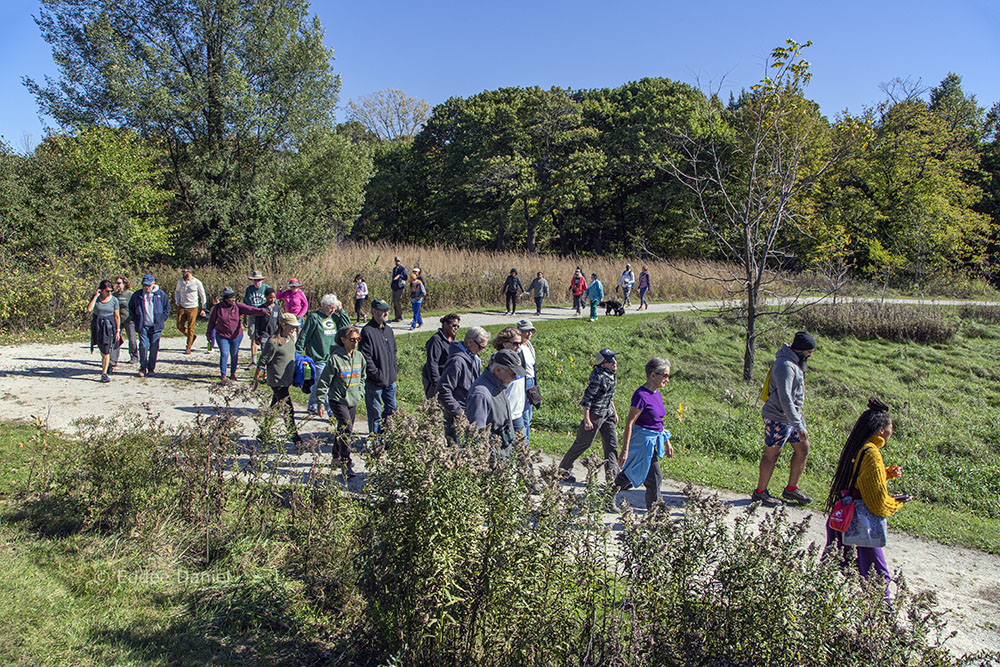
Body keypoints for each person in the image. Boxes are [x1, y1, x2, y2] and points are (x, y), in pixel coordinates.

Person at [825, 398, 909, 602]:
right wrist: (898, 502)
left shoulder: (858, 446)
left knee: (830, 571)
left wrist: (885, 474)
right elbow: (878, 503)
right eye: (891, 427)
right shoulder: (872, 454)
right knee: (878, 577)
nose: (891, 432)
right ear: (881, 430)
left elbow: (857, 478)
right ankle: (885, 621)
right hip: (860, 524)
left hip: (842, 518)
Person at [753, 331, 817, 507]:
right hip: (777, 418)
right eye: (809, 351)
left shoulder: (794, 363)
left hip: (792, 417)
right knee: (771, 455)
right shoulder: (785, 366)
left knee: (803, 449)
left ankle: (791, 489)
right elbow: (785, 397)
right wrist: (798, 424)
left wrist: (796, 420)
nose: (810, 355)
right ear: (800, 349)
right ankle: (760, 492)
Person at [613, 358, 674, 510]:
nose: (667, 379)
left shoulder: (656, 394)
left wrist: (667, 442)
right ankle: (656, 513)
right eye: (665, 375)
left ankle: (605, 496)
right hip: (642, 443)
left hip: (653, 441)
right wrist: (625, 450)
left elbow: (658, 421)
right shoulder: (641, 395)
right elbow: (630, 422)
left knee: (631, 472)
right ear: (653, 375)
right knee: (654, 478)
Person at [558, 348, 620, 483]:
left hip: (607, 412)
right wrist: (587, 419)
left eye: (614, 359)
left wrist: (614, 413)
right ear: (603, 363)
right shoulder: (598, 377)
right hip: (596, 413)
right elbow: (588, 399)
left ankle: (613, 476)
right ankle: (563, 469)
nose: (614, 362)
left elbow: (610, 396)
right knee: (583, 443)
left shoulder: (612, 374)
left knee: (612, 444)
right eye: (610, 360)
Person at [315, 325, 367, 477]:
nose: (355, 343)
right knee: (347, 428)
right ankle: (346, 463)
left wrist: (360, 392)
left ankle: (335, 456)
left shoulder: (359, 357)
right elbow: (324, 382)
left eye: (358, 339)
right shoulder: (335, 359)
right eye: (352, 340)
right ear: (343, 340)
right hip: (337, 399)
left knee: (343, 428)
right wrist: (319, 402)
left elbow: (363, 377)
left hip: (353, 399)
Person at [252, 313, 302, 445]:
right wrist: (256, 379)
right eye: (291, 326)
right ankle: (295, 438)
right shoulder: (273, 342)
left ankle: (263, 432)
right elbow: (262, 361)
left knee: (275, 407)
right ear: (283, 324)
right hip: (277, 381)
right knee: (288, 409)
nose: (294, 329)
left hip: (286, 380)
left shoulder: (290, 339)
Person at [296, 294, 350, 414]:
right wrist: (298, 352)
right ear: (324, 305)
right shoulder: (314, 317)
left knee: (320, 383)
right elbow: (304, 335)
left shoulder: (334, 317)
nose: (332, 310)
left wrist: (341, 311)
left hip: (332, 356)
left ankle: (313, 405)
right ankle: (331, 409)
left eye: (334, 308)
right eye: (330, 307)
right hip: (318, 357)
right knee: (323, 383)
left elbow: (346, 326)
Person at [465, 349, 525, 456]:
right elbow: (477, 435)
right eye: (512, 374)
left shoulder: (498, 386)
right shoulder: (481, 394)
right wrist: (493, 457)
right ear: (497, 370)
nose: (515, 378)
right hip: (492, 461)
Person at [206, 286, 270, 382]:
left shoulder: (237, 306)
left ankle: (233, 373)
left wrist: (262, 311)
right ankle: (223, 375)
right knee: (224, 354)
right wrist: (209, 334)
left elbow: (250, 309)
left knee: (234, 354)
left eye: (234, 297)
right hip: (222, 335)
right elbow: (211, 321)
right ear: (226, 299)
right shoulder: (217, 308)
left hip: (236, 336)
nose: (233, 300)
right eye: (231, 298)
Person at [438, 326, 490, 443]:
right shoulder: (457, 361)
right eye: (481, 346)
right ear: (470, 342)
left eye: (484, 347)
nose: (482, 350)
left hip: (469, 412)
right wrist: (458, 411)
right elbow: (443, 389)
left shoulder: (475, 357)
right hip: (457, 417)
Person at [359, 298, 398, 436]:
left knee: (392, 410)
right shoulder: (367, 331)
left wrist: (394, 370)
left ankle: (388, 438)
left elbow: (393, 351)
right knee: (375, 413)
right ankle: (376, 442)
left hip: (390, 380)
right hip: (375, 382)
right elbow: (366, 358)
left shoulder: (388, 330)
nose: (386, 313)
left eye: (387, 310)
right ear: (374, 311)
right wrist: (376, 374)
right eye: (383, 310)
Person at [128, 274, 170, 378]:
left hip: (156, 327)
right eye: (144, 285)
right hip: (143, 325)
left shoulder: (161, 294)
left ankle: (151, 368)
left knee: (154, 347)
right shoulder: (137, 295)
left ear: (153, 284)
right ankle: (143, 367)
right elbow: (131, 308)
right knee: (143, 346)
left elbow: (167, 308)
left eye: (148, 285)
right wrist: (136, 320)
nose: (146, 287)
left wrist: (161, 319)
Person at [492, 327, 526, 437]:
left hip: (518, 413)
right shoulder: (498, 361)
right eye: (515, 343)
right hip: (505, 414)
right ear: (504, 343)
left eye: (520, 343)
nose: (518, 346)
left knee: (520, 449)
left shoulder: (518, 359)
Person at [87, 279, 121, 383]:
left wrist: (118, 330)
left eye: (111, 291)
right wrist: (95, 296)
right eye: (107, 291)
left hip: (109, 326)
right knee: (102, 350)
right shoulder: (96, 299)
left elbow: (117, 316)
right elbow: (89, 309)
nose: (109, 293)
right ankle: (107, 365)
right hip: (98, 325)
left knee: (106, 350)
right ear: (101, 290)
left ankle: (104, 373)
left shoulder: (114, 300)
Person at [422, 313, 461, 399]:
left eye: (458, 326)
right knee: (434, 404)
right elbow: (432, 363)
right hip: (434, 379)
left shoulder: (451, 339)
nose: (456, 328)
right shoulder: (436, 340)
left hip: (446, 378)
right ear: (445, 325)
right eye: (454, 325)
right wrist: (437, 384)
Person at [173, 266, 207, 354]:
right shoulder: (180, 281)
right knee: (179, 325)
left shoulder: (197, 282)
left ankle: (188, 346)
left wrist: (203, 308)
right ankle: (191, 336)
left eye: (186, 272)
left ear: (190, 272)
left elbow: (202, 295)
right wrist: (177, 300)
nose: (184, 274)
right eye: (183, 272)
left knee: (190, 327)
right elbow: (177, 291)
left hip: (193, 306)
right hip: (182, 305)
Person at [516, 320, 538, 443]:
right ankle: (523, 445)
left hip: (531, 382)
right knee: (523, 415)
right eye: (526, 331)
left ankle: (526, 442)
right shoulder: (518, 347)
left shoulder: (529, 345)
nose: (529, 334)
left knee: (528, 416)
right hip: (522, 382)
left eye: (531, 331)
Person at [243, 271, 269, 367]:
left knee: (264, 339)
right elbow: (245, 304)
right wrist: (245, 317)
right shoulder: (249, 290)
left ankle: (264, 360)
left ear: (262, 280)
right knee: (253, 338)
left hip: (264, 316)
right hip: (252, 316)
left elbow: (273, 303)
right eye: (254, 280)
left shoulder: (266, 289)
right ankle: (253, 361)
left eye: (258, 280)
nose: (256, 282)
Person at [113, 276, 138, 363]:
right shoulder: (114, 295)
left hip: (129, 319)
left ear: (124, 284)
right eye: (116, 283)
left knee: (132, 339)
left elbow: (135, 306)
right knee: (115, 338)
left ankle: (134, 356)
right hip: (118, 320)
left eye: (119, 283)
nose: (117, 285)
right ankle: (113, 359)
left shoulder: (130, 294)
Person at [390, 256, 408, 322]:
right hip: (394, 287)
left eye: (398, 261)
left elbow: (406, 277)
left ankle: (400, 315)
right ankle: (396, 317)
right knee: (394, 302)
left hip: (400, 287)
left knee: (397, 301)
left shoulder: (402, 269)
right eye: (396, 261)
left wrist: (400, 276)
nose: (397, 262)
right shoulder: (394, 269)